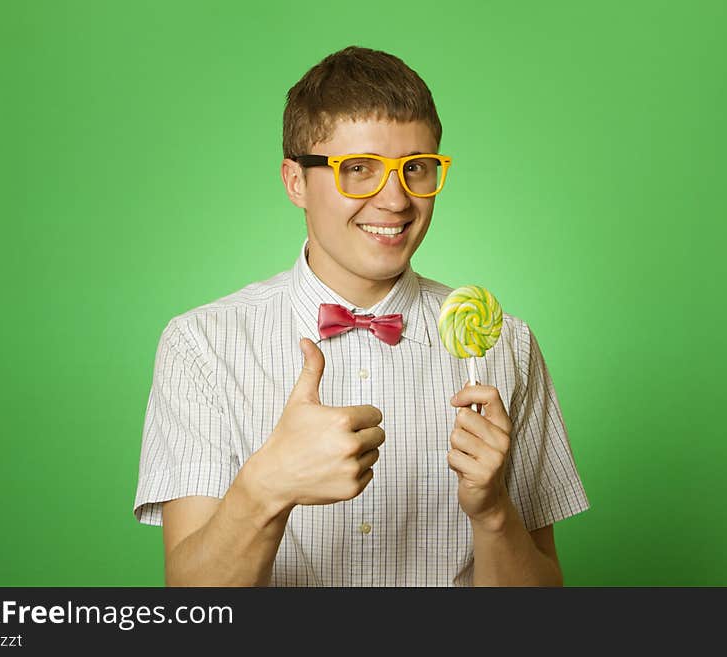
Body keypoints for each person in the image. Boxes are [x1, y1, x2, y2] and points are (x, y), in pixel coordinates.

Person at [133, 45, 590, 586]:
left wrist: (492, 513)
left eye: (415, 169)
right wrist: (267, 486)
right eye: (358, 170)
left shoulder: (504, 346)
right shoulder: (201, 346)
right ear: (295, 181)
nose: (395, 200)